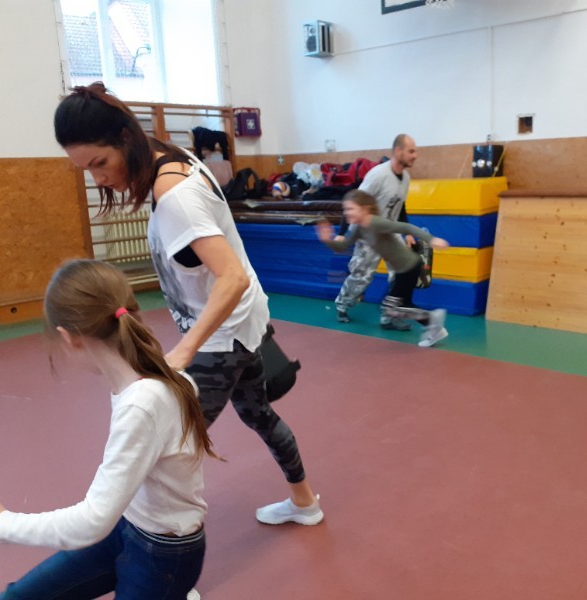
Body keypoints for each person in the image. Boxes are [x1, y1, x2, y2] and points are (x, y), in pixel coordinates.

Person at [53, 83, 323, 526]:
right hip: (241, 325)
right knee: (259, 416)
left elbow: (232, 276)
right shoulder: (166, 155)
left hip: (222, 338)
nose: (98, 179)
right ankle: (305, 503)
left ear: (125, 138)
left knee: (166, 447)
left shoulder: (175, 195)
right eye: (86, 170)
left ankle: (163, 556)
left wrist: (184, 350)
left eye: (100, 163)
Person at [0, 259, 212, 599]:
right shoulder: (141, 379)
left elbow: (91, 522)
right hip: (127, 527)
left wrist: (0, 523)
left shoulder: (143, 402)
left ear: (69, 338)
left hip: (162, 555)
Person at [317, 189, 450, 347]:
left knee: (390, 308)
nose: (347, 212)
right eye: (345, 209)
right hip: (402, 269)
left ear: (365, 209)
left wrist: (431, 239)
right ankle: (435, 329)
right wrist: (327, 240)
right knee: (402, 305)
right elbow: (343, 246)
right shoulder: (359, 228)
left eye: (351, 208)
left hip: (408, 267)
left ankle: (432, 319)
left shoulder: (376, 223)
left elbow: (406, 227)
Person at [333, 134, 418, 330]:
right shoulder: (378, 175)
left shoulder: (405, 178)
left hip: (390, 232)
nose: (415, 155)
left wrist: (407, 232)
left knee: (400, 274)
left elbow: (400, 205)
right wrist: (342, 232)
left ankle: (389, 316)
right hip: (369, 233)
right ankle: (343, 305)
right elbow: (354, 202)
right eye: (411, 151)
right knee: (362, 277)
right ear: (398, 151)